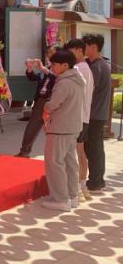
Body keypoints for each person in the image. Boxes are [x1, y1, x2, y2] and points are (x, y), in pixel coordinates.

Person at [41, 49, 85, 212]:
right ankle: (72, 196)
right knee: (70, 163)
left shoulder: (64, 82)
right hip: (72, 126)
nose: (52, 67)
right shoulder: (77, 79)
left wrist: (45, 107)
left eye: (54, 64)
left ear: (65, 65)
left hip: (60, 127)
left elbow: (53, 104)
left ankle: (60, 199)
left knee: (55, 163)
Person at [65, 38, 94, 202]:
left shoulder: (77, 69)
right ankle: (83, 187)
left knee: (72, 155)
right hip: (85, 116)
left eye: (71, 51)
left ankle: (76, 190)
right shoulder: (87, 68)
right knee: (81, 154)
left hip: (76, 117)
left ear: (78, 50)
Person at [16, 45, 58, 158]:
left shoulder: (61, 67)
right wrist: (29, 69)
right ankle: (24, 151)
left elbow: (56, 78)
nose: (49, 55)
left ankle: (54, 156)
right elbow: (35, 78)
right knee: (33, 125)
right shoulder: (48, 67)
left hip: (52, 100)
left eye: (52, 52)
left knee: (53, 130)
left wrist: (43, 69)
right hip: (41, 99)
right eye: (48, 53)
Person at [83, 33, 111, 193]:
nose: (83, 49)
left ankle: (96, 181)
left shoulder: (98, 67)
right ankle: (96, 180)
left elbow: (89, 90)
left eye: (85, 46)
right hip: (94, 114)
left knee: (94, 148)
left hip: (95, 114)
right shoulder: (94, 64)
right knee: (93, 147)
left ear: (93, 47)